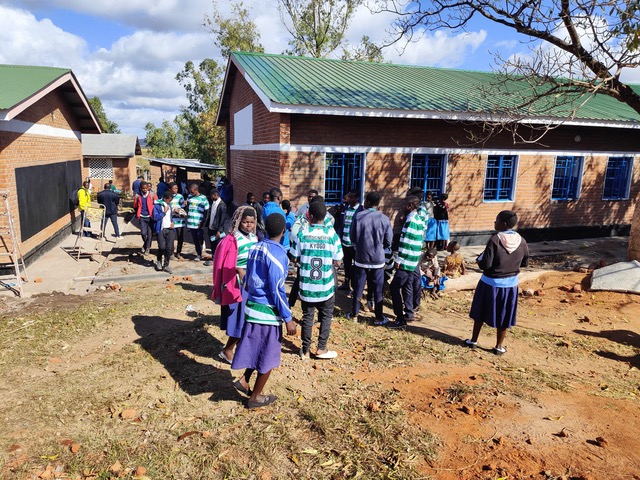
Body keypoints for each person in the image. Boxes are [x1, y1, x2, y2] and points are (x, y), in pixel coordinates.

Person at [230, 214, 297, 409]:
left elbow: (249, 277)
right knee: (267, 355)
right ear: (284, 232)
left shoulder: (255, 248)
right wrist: (288, 318)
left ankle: (244, 380)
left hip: (252, 307)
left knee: (256, 347)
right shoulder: (279, 255)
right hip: (267, 312)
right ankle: (256, 397)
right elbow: (277, 289)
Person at [465, 211, 529, 355]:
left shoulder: (495, 240)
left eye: (496, 220)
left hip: (490, 283)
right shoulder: (522, 241)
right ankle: (499, 347)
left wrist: (479, 260)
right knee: (504, 315)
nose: (495, 223)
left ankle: (473, 341)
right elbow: (525, 263)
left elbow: (485, 265)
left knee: (480, 312)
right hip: (510, 285)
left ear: (503, 224)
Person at [291, 201, 343, 360]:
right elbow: (338, 261)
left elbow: (294, 257)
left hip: (307, 287)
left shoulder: (302, 234)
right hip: (325, 287)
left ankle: (305, 350)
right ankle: (321, 348)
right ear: (325, 216)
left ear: (310, 216)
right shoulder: (332, 235)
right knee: (326, 316)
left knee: (307, 317)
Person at [212, 206, 258, 364]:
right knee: (240, 321)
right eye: (245, 222)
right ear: (238, 221)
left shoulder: (254, 238)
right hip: (237, 285)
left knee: (249, 319)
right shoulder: (231, 240)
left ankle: (239, 349)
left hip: (251, 284)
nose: (249, 225)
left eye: (252, 222)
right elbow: (221, 264)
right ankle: (228, 350)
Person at [347, 192, 392, 324]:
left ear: (366, 202)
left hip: (361, 258)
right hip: (378, 260)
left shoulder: (358, 216)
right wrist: (379, 248)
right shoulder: (384, 218)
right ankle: (379, 317)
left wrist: (360, 246)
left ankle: (354, 315)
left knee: (358, 288)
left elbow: (352, 237)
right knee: (378, 290)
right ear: (378, 204)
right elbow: (388, 241)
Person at [387, 195, 426, 329]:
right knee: (407, 286)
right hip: (413, 260)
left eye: (404, 205)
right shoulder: (417, 219)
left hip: (407, 261)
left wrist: (399, 260)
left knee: (394, 287)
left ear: (410, 206)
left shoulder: (411, 221)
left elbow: (406, 243)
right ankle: (409, 313)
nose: (402, 207)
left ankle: (400, 319)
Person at [335, 190, 363, 293]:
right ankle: (346, 283)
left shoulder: (361, 210)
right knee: (346, 264)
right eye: (348, 197)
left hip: (355, 244)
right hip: (345, 242)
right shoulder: (345, 209)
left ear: (357, 198)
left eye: (351, 197)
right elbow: (340, 224)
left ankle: (356, 287)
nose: (349, 199)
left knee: (356, 265)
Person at [153, 190, 176, 274]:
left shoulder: (170, 206)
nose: (170, 202)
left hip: (170, 230)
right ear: (165, 199)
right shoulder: (157, 206)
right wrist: (164, 212)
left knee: (169, 248)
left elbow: (170, 217)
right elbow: (155, 217)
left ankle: (166, 265)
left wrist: (172, 222)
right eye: (169, 200)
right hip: (161, 229)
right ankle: (159, 261)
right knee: (162, 247)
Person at [186, 182, 210, 261]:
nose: (191, 192)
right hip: (191, 223)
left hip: (199, 223)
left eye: (192, 191)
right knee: (195, 239)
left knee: (200, 238)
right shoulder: (189, 197)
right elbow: (187, 207)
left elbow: (207, 211)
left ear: (196, 190)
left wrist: (203, 222)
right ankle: (198, 254)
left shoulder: (203, 198)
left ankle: (202, 249)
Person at [205, 188, 230, 260]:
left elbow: (222, 219)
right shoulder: (213, 203)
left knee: (218, 244)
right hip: (211, 228)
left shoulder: (222, 205)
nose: (211, 197)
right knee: (212, 242)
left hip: (217, 230)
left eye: (211, 196)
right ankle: (214, 257)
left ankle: (218, 259)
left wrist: (219, 231)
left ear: (215, 195)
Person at [133, 182, 157, 254]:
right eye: (143, 188)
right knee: (143, 233)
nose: (145, 190)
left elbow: (157, 204)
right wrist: (137, 214)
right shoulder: (138, 196)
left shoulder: (152, 195)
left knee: (149, 234)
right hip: (142, 216)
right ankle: (146, 245)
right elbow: (135, 205)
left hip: (150, 217)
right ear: (140, 188)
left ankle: (147, 248)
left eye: (146, 188)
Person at [168, 183, 186, 260]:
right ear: (170, 189)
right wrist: (172, 210)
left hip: (180, 221)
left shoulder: (180, 196)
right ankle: (171, 253)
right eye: (174, 188)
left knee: (180, 238)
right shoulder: (167, 196)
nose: (175, 190)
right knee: (171, 238)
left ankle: (178, 253)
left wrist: (179, 211)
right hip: (171, 221)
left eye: (177, 188)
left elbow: (183, 207)